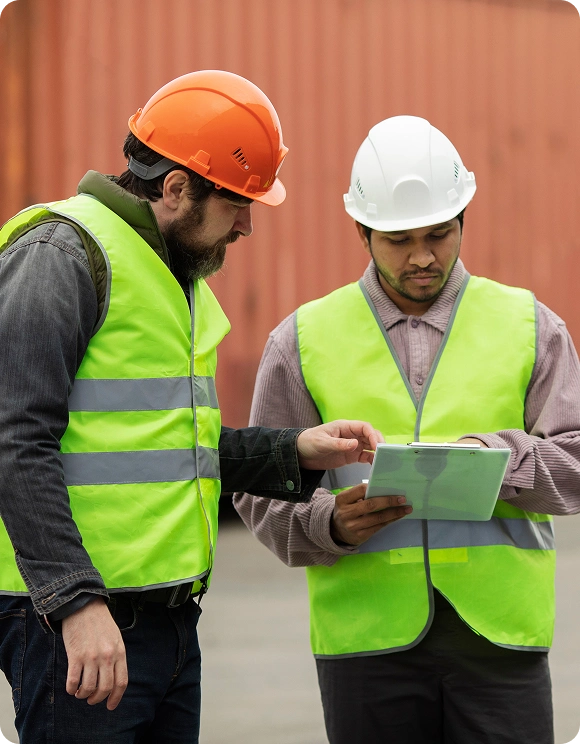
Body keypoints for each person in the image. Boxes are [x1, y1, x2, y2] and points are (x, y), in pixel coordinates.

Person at [0, 70, 382, 744]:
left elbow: (170, 444)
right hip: (82, 629)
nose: (247, 226)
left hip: (169, 627)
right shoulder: (60, 256)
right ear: (175, 188)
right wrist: (75, 604)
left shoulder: (173, 274)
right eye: (237, 204)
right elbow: (14, 441)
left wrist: (292, 450)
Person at [235, 115, 580, 744]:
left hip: (500, 640)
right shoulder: (301, 342)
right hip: (365, 644)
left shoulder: (530, 326)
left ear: (463, 222)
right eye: (398, 239)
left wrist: (499, 460)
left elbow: (577, 461)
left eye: (439, 234)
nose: (422, 256)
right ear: (362, 232)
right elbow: (257, 489)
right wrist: (326, 524)